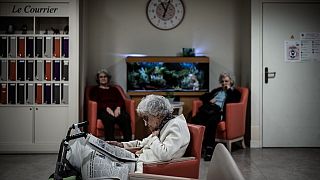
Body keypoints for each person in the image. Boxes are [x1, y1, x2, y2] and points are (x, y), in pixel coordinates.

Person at [109, 94, 190, 163]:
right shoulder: (163, 124)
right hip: (139, 161)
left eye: (146, 118)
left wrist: (154, 138)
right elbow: (142, 143)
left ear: (158, 114)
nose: (145, 124)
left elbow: (165, 155)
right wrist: (121, 145)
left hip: (150, 168)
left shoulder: (176, 125)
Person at [192, 72, 241, 161]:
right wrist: (210, 100)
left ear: (231, 81)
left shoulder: (234, 92)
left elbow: (234, 101)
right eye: (222, 81)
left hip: (219, 112)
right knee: (195, 119)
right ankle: (196, 147)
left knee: (211, 122)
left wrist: (229, 90)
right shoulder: (217, 91)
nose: (224, 83)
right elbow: (202, 97)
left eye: (226, 81)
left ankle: (209, 149)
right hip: (209, 110)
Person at [89, 69, 132, 141]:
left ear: (108, 78)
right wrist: (107, 108)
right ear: (98, 79)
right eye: (101, 77)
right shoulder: (95, 90)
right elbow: (96, 102)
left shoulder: (114, 89)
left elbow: (121, 100)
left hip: (116, 110)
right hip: (103, 110)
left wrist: (118, 108)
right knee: (109, 119)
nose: (103, 78)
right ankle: (110, 142)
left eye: (105, 76)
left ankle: (128, 142)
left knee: (125, 117)